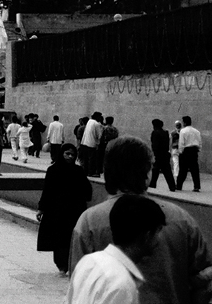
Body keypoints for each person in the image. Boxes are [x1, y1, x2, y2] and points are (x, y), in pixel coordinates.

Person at [70, 136, 212, 304]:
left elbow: (80, 281)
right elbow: (204, 279)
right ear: (146, 173)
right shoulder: (181, 218)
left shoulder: (89, 222)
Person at [66, 194, 167, 304]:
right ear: (147, 236)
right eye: (158, 231)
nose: (160, 238)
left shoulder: (89, 261)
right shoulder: (122, 284)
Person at [36, 143, 92, 273]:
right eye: (67, 154)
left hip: (74, 211)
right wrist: (41, 208)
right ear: (62, 154)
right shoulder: (53, 170)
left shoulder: (78, 171)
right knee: (59, 238)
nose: (70, 157)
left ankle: (68, 264)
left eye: (72, 154)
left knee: (70, 239)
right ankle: (61, 265)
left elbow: (87, 189)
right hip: (57, 211)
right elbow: (47, 191)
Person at [148, 119, 176, 192]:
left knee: (155, 171)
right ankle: (172, 186)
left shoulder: (155, 133)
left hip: (158, 155)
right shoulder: (165, 133)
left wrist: (154, 154)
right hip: (165, 154)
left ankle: (152, 185)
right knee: (167, 171)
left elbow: (155, 145)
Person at [176, 115, 202, 192]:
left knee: (183, 170)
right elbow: (199, 142)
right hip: (194, 150)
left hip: (186, 151)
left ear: (184, 122)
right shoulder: (197, 131)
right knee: (195, 170)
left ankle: (179, 185)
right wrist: (198, 149)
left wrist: (180, 151)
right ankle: (196, 186)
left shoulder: (183, 131)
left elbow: (181, 143)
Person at [80, 112, 103, 176]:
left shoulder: (89, 121)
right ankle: (91, 172)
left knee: (86, 159)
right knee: (92, 159)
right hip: (92, 144)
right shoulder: (97, 124)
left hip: (85, 142)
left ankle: (86, 171)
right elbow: (99, 135)